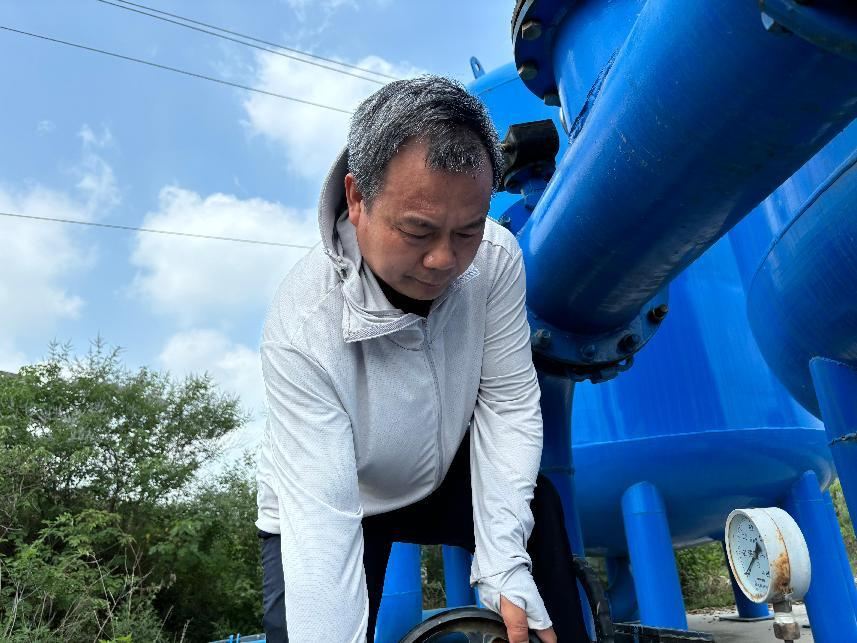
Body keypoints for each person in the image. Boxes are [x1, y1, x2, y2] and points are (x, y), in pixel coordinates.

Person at [255, 75, 587, 642]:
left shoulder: (497, 259)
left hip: (437, 476)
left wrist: (504, 561)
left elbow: (507, 399)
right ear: (357, 199)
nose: (443, 260)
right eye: (417, 231)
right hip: (333, 497)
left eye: (467, 230)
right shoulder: (303, 326)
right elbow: (323, 523)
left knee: (539, 509)